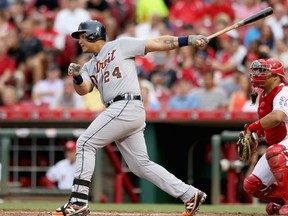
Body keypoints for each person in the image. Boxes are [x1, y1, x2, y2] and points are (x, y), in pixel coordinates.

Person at [51, 19, 208, 216]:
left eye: (82, 36)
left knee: (85, 143)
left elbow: (157, 43)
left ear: (93, 34)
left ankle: (78, 200)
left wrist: (188, 40)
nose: (79, 41)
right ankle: (189, 194)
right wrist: (77, 77)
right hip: (123, 109)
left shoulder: (120, 45)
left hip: (125, 104)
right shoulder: (90, 65)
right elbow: (84, 90)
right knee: (140, 166)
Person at [241, 58, 288, 215]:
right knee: (252, 185)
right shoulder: (263, 95)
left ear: (276, 77)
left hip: (284, 144)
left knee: (275, 152)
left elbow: (278, 117)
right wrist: (255, 136)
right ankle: (281, 200)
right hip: (279, 145)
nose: (257, 75)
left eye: (263, 71)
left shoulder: (284, 91)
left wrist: (252, 127)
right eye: (257, 71)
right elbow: (267, 126)